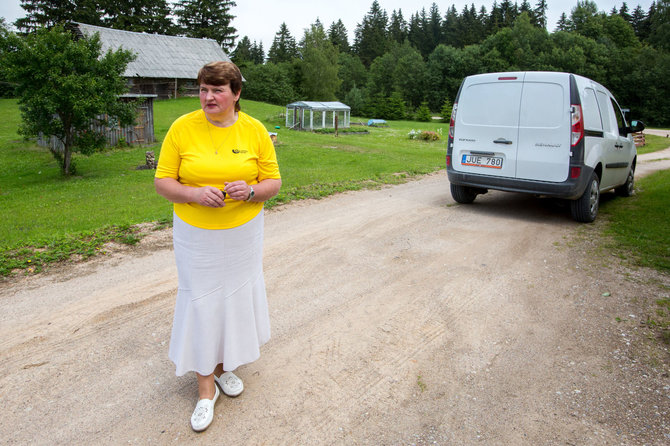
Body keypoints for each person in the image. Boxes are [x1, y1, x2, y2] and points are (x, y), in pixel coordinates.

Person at [154, 61, 281, 432]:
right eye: (203, 90)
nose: (208, 97)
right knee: (203, 301)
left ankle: (225, 366)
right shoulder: (182, 128)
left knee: (234, 298)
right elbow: (162, 182)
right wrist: (193, 193)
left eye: (217, 90)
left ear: (236, 94)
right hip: (196, 235)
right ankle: (205, 388)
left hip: (243, 233)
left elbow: (273, 182)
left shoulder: (255, 130)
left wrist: (253, 190)